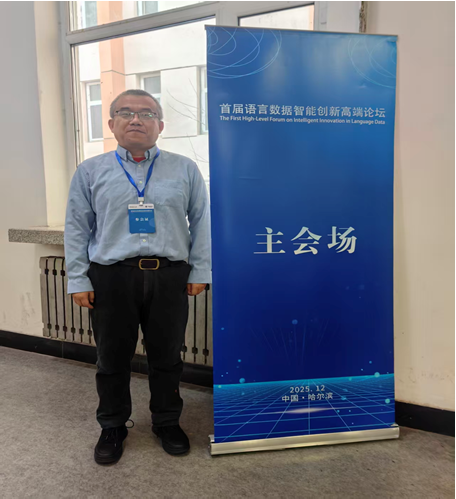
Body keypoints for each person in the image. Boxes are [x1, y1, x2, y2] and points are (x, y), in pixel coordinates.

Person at [64, 89, 211, 465]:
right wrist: (77, 278)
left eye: (147, 114)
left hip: (169, 276)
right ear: (111, 123)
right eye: (125, 112)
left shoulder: (185, 169)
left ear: (160, 125)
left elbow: (202, 221)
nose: (135, 119)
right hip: (111, 277)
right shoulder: (90, 171)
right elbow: (77, 228)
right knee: (111, 357)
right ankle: (112, 424)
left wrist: (200, 270)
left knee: (168, 356)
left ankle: (167, 421)